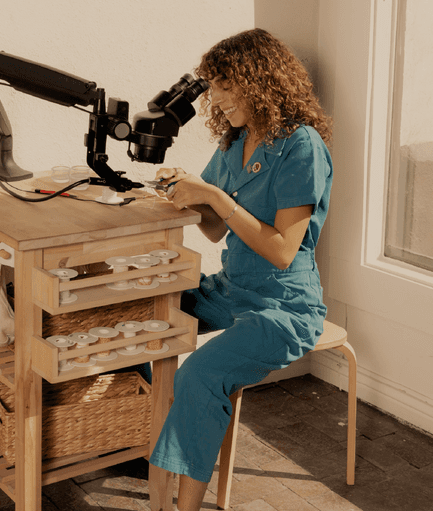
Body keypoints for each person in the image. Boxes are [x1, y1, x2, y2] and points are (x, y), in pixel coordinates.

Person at [148, 28, 333, 511]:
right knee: (141, 318)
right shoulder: (236, 142)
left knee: (200, 375)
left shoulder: (301, 145)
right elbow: (213, 229)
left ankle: (181, 506)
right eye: (214, 87)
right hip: (231, 289)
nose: (218, 98)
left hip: (284, 304)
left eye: (227, 85)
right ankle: (153, 450)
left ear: (260, 81)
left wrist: (214, 196)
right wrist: (186, 189)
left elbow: (281, 251)